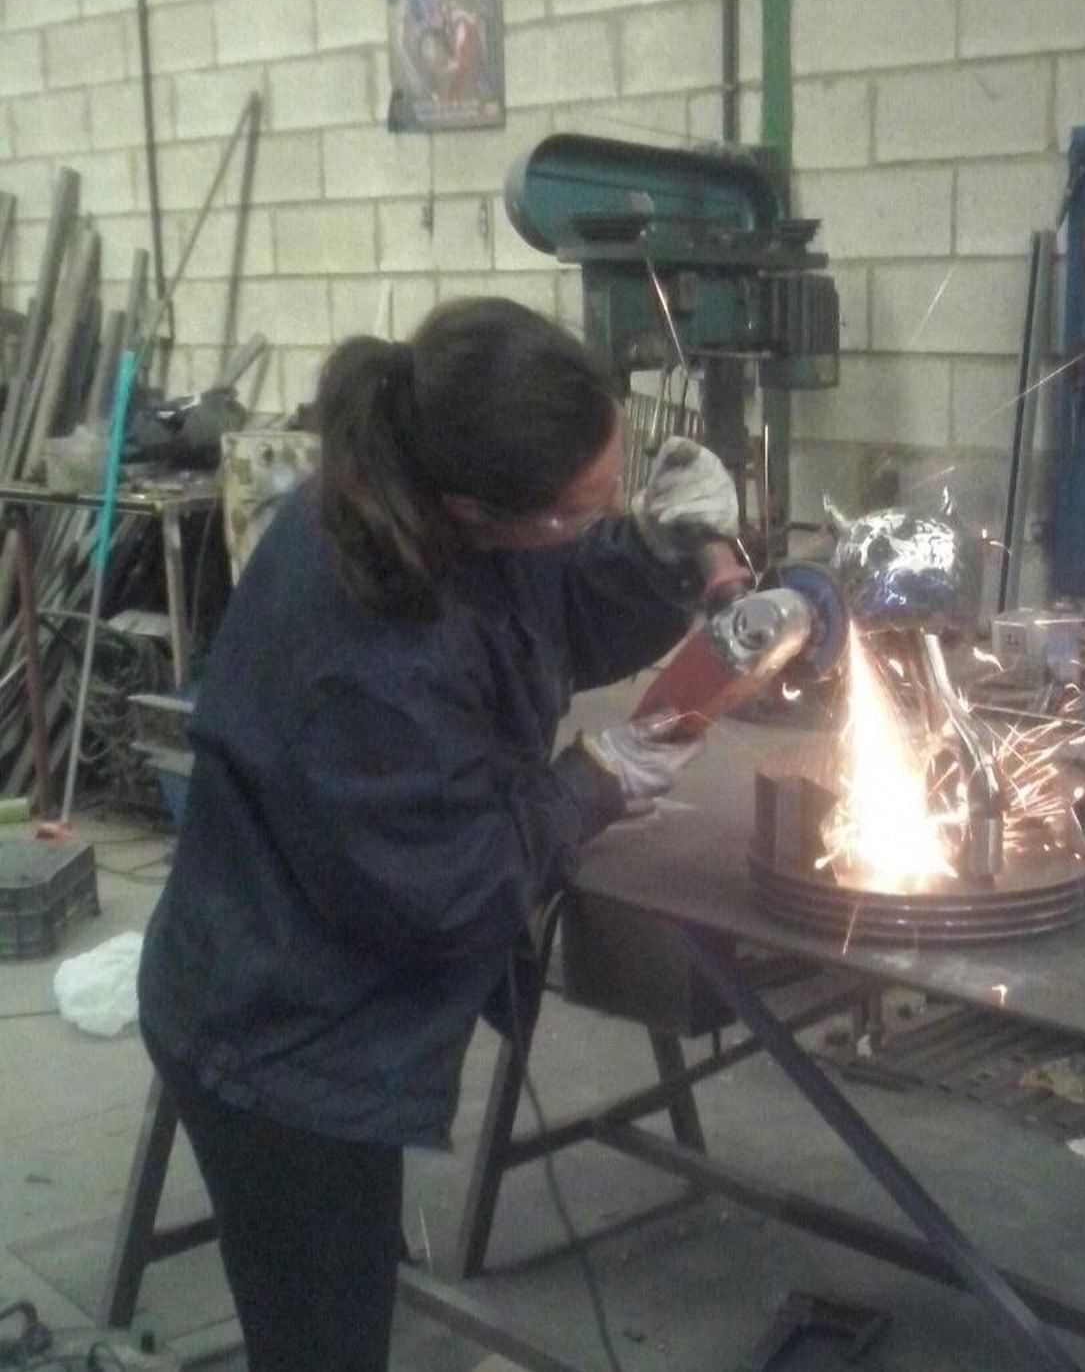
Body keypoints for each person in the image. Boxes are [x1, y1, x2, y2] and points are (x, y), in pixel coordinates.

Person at [137, 298, 739, 1371]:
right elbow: (451, 889)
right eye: (588, 504)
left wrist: (654, 555)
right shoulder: (364, 647)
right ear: (479, 506)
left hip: (321, 981)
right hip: (281, 1032)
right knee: (322, 1337)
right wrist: (592, 782)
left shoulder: (432, 502)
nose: (600, 512)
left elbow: (557, 605)